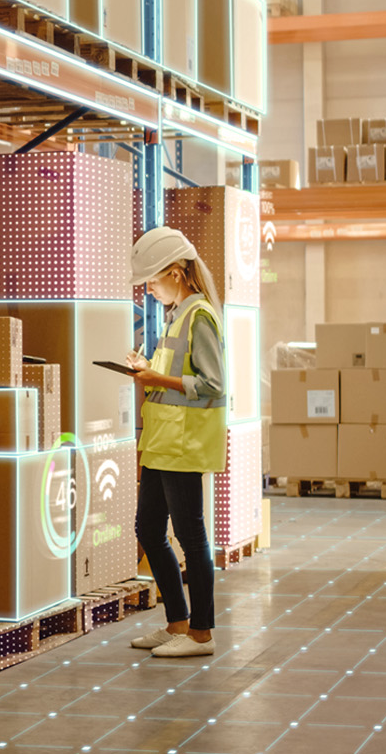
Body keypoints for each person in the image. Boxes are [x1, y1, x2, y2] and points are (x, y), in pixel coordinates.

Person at [124, 226, 227, 659]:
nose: (148, 290)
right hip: (163, 442)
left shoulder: (198, 315)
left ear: (175, 273)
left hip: (184, 445)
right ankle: (177, 623)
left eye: (152, 281)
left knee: (191, 536)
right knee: (147, 529)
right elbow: (171, 383)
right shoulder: (175, 315)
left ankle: (201, 633)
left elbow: (213, 384)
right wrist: (145, 369)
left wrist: (155, 377)